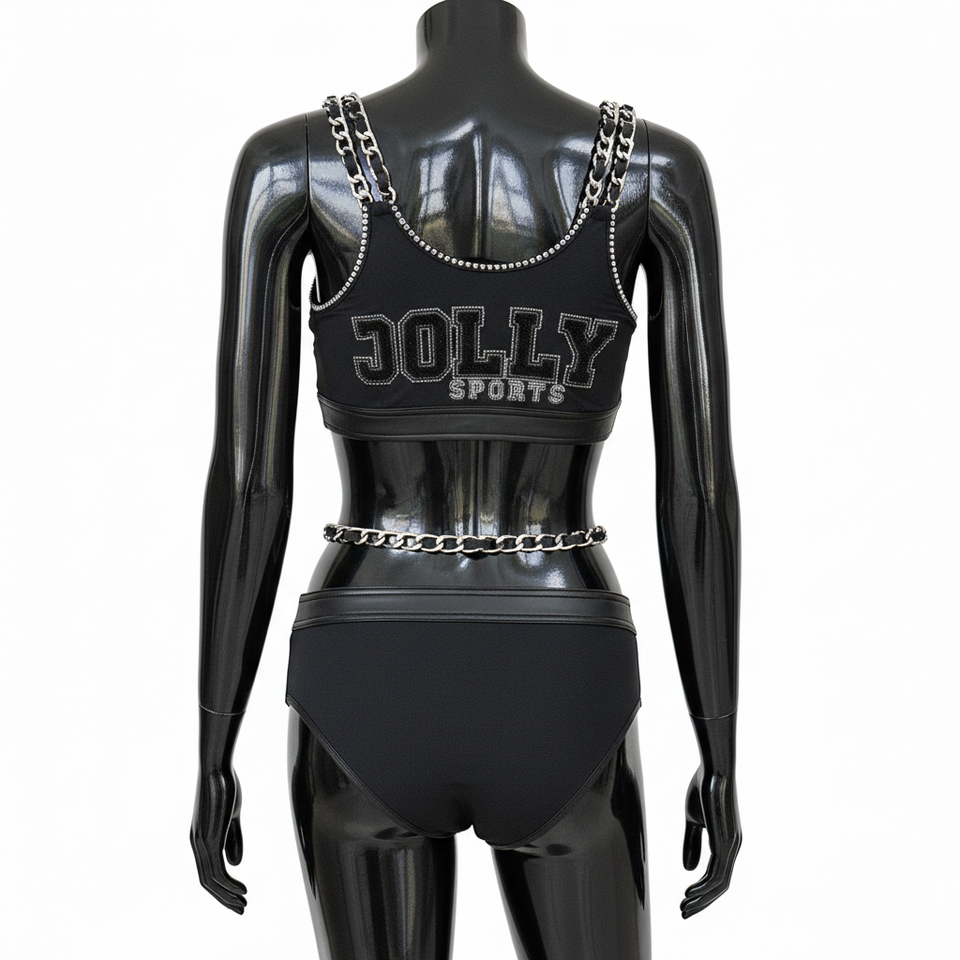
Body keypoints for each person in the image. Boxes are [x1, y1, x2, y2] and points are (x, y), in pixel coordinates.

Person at [190, 1, 742, 956]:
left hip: (365, 659)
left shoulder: (294, 165)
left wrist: (212, 742)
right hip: (563, 658)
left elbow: (248, 485)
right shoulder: (654, 172)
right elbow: (698, 489)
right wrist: (720, 745)